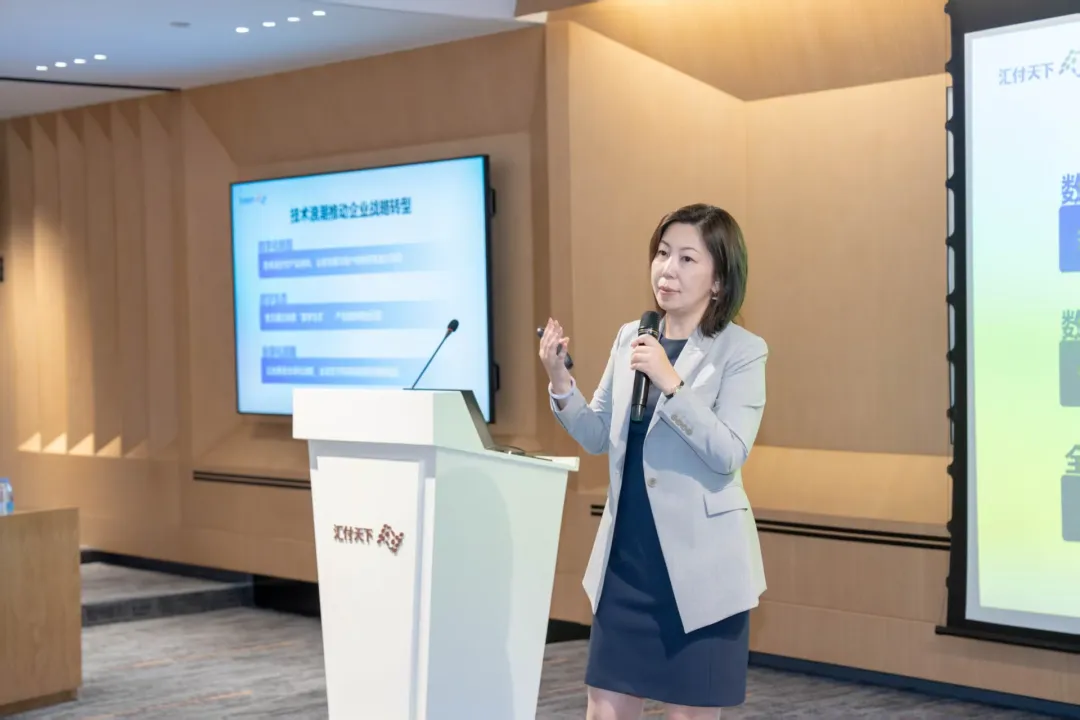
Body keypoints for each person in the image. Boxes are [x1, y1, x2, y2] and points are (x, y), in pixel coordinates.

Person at [538, 204, 768, 720]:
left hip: (701, 571)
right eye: (663, 254)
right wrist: (560, 381)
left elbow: (729, 451)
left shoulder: (742, 351)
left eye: (687, 258)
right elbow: (597, 434)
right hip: (627, 564)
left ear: (719, 279)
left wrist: (673, 384)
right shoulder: (632, 336)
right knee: (605, 711)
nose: (668, 269)